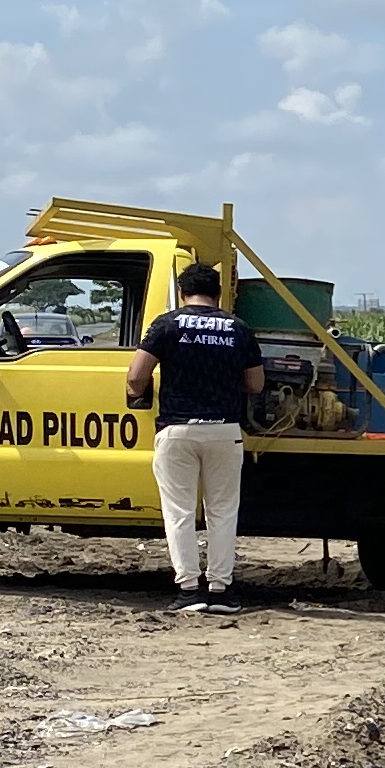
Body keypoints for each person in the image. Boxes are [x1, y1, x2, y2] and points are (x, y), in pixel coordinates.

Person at [127, 261, 265, 612]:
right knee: (222, 513)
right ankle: (220, 592)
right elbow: (255, 384)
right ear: (219, 294)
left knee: (179, 513)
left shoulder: (167, 324)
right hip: (224, 431)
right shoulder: (238, 328)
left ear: (182, 293)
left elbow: (136, 375)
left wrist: (138, 393)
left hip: (177, 430)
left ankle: (189, 591)